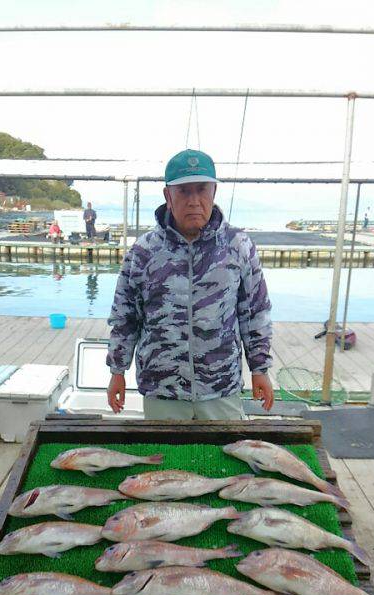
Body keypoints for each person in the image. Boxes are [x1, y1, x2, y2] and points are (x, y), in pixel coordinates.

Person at [106, 148, 274, 420]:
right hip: (162, 390)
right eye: (183, 191)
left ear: (214, 192)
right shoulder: (143, 252)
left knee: (226, 449)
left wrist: (260, 369)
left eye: (201, 190)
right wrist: (117, 371)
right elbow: (125, 317)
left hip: (221, 389)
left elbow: (255, 312)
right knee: (164, 450)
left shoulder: (239, 246)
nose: (194, 201)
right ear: (168, 196)